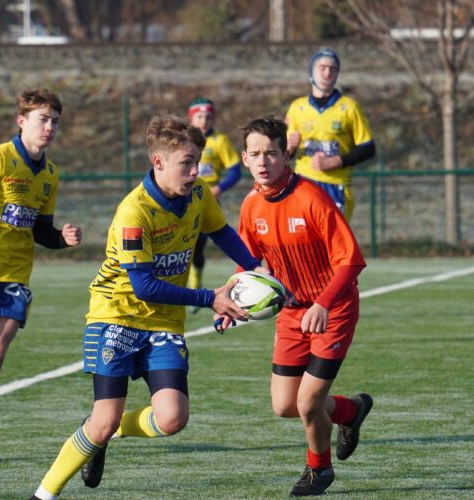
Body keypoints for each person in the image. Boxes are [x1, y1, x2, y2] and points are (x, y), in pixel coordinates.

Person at [30, 114, 266, 500]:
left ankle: (104, 434)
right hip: (116, 316)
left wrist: (255, 271)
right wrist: (211, 298)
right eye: (186, 163)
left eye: (197, 162)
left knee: (172, 418)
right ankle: (43, 494)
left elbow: (221, 231)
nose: (195, 171)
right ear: (158, 162)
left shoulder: (197, 193)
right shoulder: (134, 212)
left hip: (164, 321)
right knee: (102, 421)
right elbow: (144, 287)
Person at [218, 115, 373, 496]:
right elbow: (248, 264)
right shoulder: (251, 205)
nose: (263, 161)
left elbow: (351, 260)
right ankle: (350, 411)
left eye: (271, 153)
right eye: (255, 154)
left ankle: (319, 469)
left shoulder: (312, 198)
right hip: (291, 314)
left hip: (332, 310)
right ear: (244, 158)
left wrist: (323, 303)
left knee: (307, 403)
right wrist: (229, 299)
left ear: (286, 155)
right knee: (285, 405)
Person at [0, 88, 81, 462]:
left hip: (16, 276)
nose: (49, 127)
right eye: (43, 119)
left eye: (55, 121)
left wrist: (62, 238)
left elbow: (41, 229)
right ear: (22, 121)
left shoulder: (50, 174)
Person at [285, 48, 376, 221]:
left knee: (332, 238)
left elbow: (368, 149)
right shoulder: (297, 107)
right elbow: (285, 155)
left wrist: (335, 161)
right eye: (322, 68)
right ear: (311, 72)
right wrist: (289, 147)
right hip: (302, 183)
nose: (327, 73)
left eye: (332, 69)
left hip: (336, 186)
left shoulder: (349, 107)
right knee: (300, 235)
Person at [187, 97, 242, 305]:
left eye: (208, 117)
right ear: (191, 118)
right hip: (182, 197)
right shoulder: (183, 140)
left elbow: (235, 171)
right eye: (199, 116)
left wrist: (219, 188)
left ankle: (195, 279)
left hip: (206, 200)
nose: (204, 120)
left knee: (198, 245)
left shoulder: (220, 141)